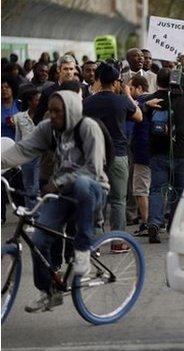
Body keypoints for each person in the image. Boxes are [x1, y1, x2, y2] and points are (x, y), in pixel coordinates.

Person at [1, 90, 108, 312]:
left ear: (70, 111)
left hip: (93, 189)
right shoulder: (48, 128)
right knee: (39, 241)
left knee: (81, 184)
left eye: (58, 111)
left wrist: (59, 181)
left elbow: (93, 169)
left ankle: (83, 252)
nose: (53, 115)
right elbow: (22, 149)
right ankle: (49, 291)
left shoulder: (88, 128)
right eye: (50, 110)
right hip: (61, 194)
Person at [83, 63, 142, 234]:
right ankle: (118, 240)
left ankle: (97, 238)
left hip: (94, 156)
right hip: (119, 155)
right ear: (116, 82)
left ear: (99, 80)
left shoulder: (87, 103)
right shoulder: (121, 101)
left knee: (97, 197)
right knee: (118, 200)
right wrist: (128, 95)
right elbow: (139, 116)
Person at [145, 68, 184, 243]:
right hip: (182, 152)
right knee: (180, 189)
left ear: (157, 81)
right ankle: (174, 225)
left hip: (158, 152)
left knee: (156, 189)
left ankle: (154, 223)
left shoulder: (151, 100)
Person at [127, 75, 152, 234]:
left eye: (131, 87)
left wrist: (126, 95)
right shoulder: (154, 101)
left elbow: (132, 109)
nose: (129, 90)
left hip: (143, 151)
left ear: (139, 88)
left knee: (140, 189)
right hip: (153, 151)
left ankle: (146, 222)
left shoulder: (140, 104)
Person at [13, 87, 41, 210]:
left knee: (39, 186)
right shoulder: (19, 117)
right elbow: (18, 139)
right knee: (29, 186)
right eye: (37, 100)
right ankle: (31, 215)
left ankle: (41, 216)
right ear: (30, 102)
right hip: (27, 156)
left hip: (42, 155)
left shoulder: (46, 116)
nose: (39, 102)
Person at [34, 55, 77, 124]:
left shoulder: (82, 90)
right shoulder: (47, 92)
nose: (69, 72)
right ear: (58, 70)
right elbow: (37, 119)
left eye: (71, 69)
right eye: (65, 69)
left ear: (75, 70)